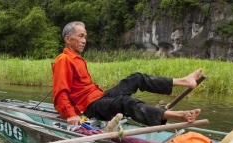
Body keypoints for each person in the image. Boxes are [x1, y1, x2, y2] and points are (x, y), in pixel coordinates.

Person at [53, 21, 202, 127]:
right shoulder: (64, 60)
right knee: (125, 102)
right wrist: (71, 115)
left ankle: (184, 81)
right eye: (80, 36)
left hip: (99, 97)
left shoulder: (77, 59)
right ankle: (179, 116)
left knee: (137, 78)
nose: (84, 40)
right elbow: (60, 94)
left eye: (85, 36)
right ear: (68, 39)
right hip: (89, 107)